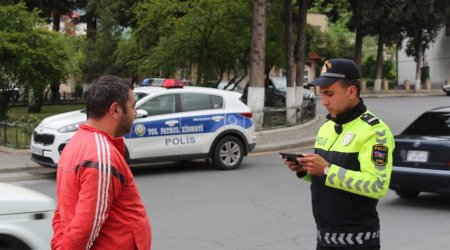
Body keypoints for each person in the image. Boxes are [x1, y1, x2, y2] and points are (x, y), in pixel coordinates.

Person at [282, 59, 394, 250]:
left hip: (358, 242)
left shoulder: (375, 132)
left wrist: (325, 169)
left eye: (329, 94)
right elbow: (329, 177)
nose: (323, 102)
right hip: (324, 239)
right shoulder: (327, 127)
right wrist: (306, 169)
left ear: (351, 92)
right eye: (322, 94)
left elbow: (377, 185)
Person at [51, 75, 151, 250]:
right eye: (133, 107)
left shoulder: (75, 144)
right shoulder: (100, 155)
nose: (135, 113)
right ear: (116, 110)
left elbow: (62, 212)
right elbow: (86, 225)